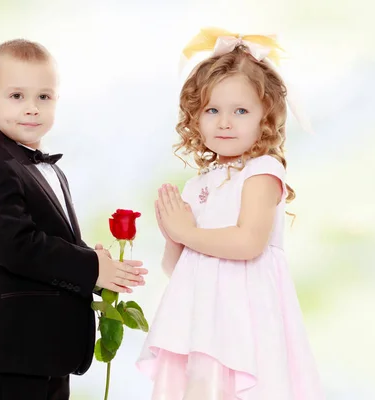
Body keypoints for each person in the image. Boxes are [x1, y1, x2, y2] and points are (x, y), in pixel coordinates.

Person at [137, 28, 324, 399]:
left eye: (240, 110)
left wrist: (188, 232)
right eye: (212, 110)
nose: (225, 122)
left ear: (265, 118)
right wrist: (173, 234)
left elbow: (248, 242)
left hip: (244, 317)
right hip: (200, 318)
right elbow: (179, 269)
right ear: (195, 117)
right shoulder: (198, 184)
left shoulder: (262, 171)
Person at [0, 38, 148, 400]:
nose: (31, 108)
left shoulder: (48, 170)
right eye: (16, 96)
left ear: (57, 102)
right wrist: (88, 266)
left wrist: (101, 269)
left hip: (49, 349)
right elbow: (19, 247)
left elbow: (54, 243)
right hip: (16, 348)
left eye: (44, 97)